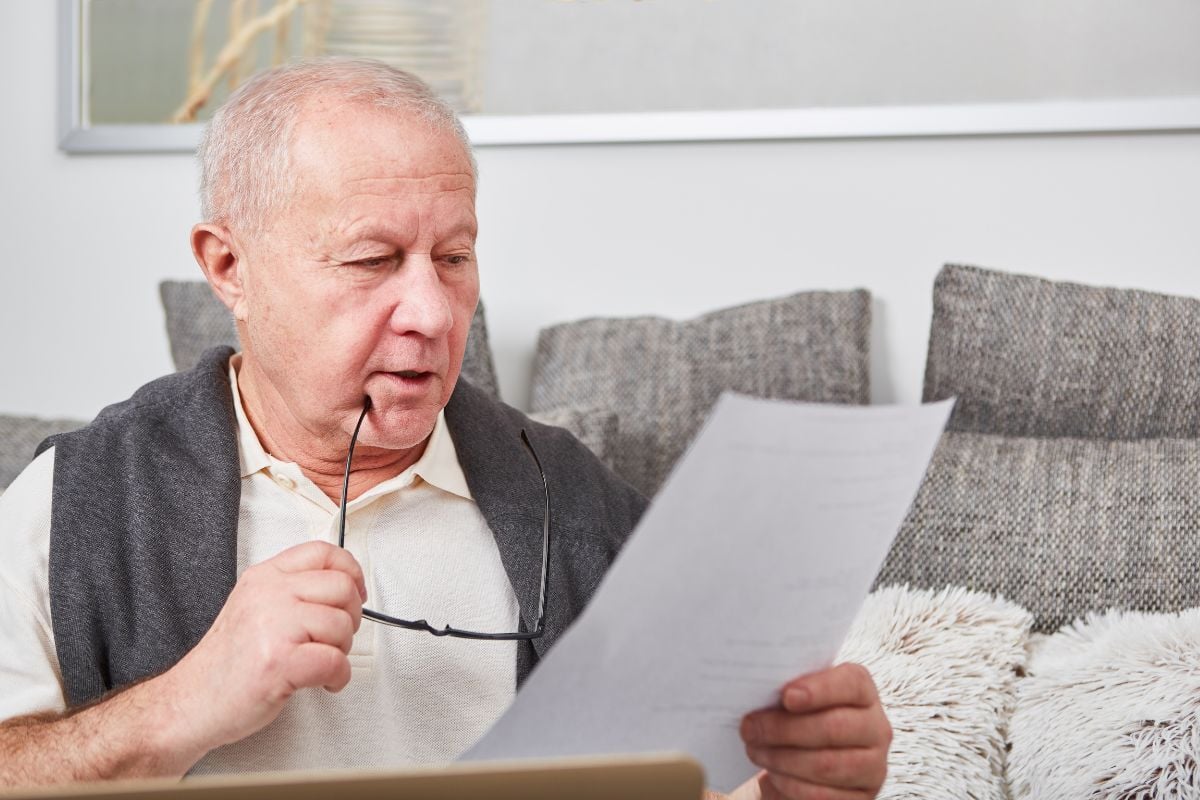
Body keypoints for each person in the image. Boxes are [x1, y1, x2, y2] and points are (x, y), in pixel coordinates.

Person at [0, 59, 891, 798]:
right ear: (228, 266)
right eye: (372, 260)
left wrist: (799, 789)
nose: (431, 311)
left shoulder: (575, 502)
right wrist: (183, 703)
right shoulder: (79, 497)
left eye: (455, 258)